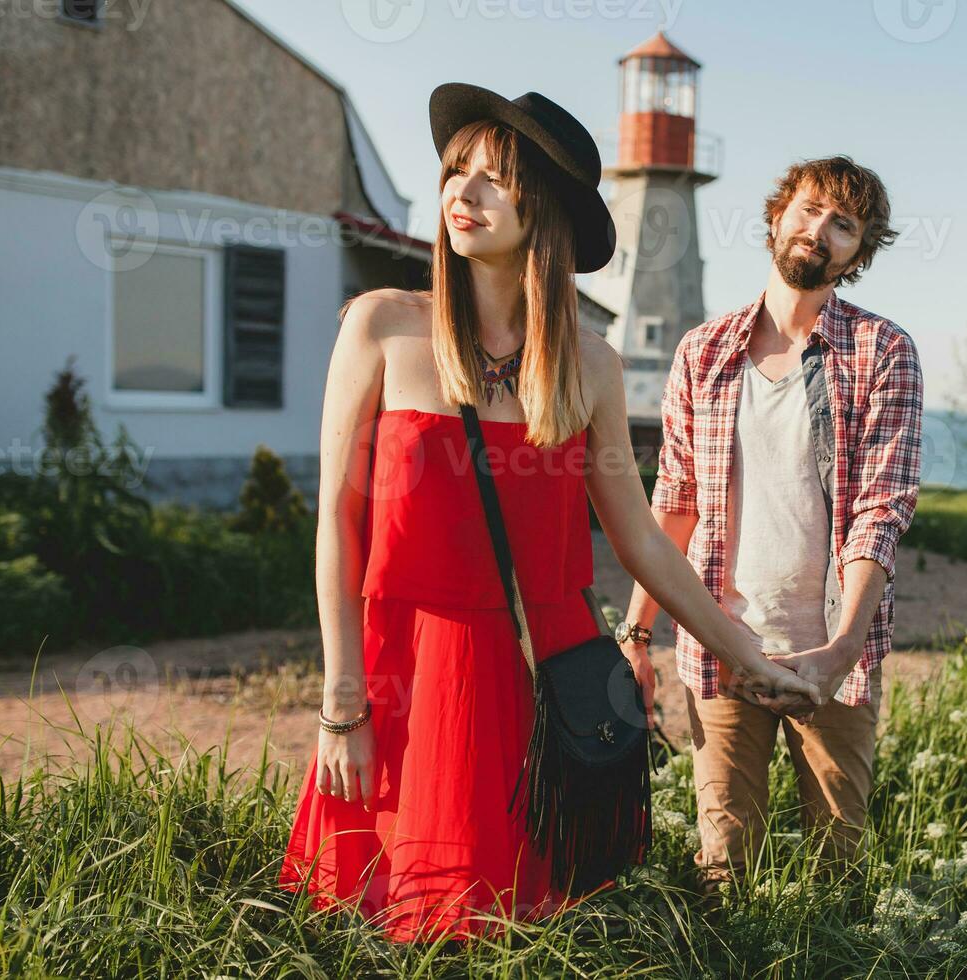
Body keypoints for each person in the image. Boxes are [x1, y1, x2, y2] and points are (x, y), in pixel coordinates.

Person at [276, 83, 820, 945]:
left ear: (547, 213)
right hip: (411, 666)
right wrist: (343, 703)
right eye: (457, 172)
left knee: (530, 935)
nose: (463, 193)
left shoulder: (591, 368)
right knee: (395, 927)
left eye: (495, 178)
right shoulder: (382, 327)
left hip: (545, 671)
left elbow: (641, 539)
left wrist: (744, 655)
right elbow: (336, 527)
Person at [618, 156, 923, 899]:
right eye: (810, 209)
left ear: (859, 252)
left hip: (832, 656)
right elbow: (675, 501)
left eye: (842, 225)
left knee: (837, 867)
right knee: (723, 869)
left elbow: (879, 512)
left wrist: (840, 653)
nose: (819, 230)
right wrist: (635, 634)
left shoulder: (882, 353)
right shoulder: (702, 352)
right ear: (779, 212)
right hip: (720, 649)